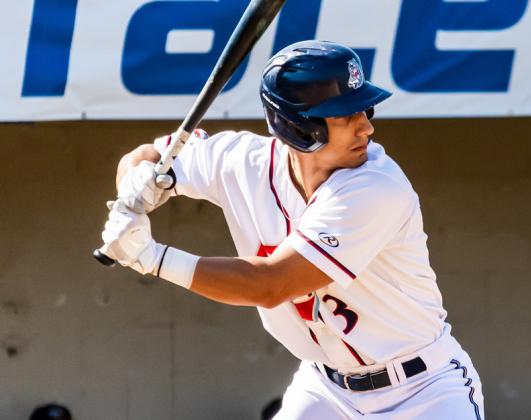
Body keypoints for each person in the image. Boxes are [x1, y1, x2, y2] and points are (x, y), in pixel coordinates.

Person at [101, 40, 484, 419]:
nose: (365, 126)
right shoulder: (242, 160)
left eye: (364, 109)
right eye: (344, 115)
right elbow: (147, 155)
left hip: (422, 391)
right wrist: (136, 184)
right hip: (327, 389)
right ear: (299, 127)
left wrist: (152, 258)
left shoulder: (377, 187)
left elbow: (270, 285)